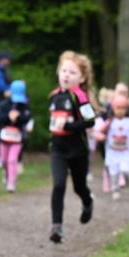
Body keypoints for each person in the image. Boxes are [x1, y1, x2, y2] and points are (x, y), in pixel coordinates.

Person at [47, 51, 96, 244]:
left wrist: (68, 126)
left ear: (82, 78)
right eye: (64, 71)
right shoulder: (54, 96)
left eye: (72, 72)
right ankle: (56, 227)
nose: (66, 75)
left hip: (77, 150)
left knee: (79, 187)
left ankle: (88, 201)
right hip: (58, 149)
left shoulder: (80, 97)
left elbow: (90, 121)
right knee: (58, 185)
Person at [94, 94, 129, 200]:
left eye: (123, 108)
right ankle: (115, 189)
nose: (120, 111)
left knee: (125, 169)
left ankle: (127, 180)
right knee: (113, 172)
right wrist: (100, 136)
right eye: (118, 108)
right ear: (113, 109)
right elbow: (100, 131)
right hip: (112, 151)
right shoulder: (110, 122)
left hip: (125, 151)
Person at [0, 79, 32, 192]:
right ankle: (6, 175)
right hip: (4, 137)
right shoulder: (3, 104)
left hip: (17, 138)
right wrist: (8, 116)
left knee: (12, 160)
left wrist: (18, 117)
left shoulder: (24, 106)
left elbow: (27, 118)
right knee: (4, 160)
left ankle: (11, 183)